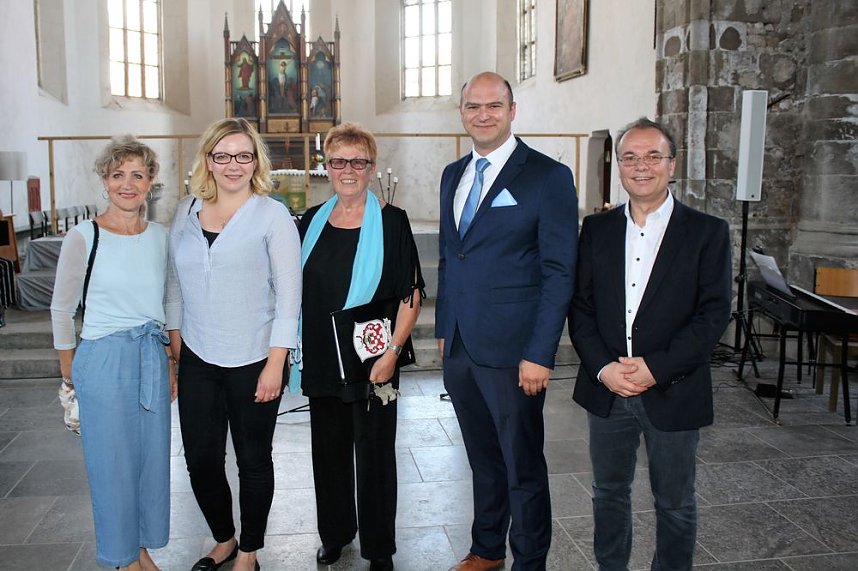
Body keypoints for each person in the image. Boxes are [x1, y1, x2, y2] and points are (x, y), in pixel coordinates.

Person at [570, 118, 732, 571]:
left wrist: (656, 368)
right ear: (619, 166)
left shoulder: (707, 232)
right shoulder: (596, 230)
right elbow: (580, 309)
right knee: (608, 494)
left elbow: (713, 315)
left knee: (676, 501)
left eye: (653, 156)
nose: (641, 166)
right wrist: (605, 368)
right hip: (608, 389)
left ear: (672, 164)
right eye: (631, 157)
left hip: (674, 388)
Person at [435, 71, 578, 571]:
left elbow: (560, 271)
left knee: (522, 466)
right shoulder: (453, 175)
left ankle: (530, 561)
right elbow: (453, 257)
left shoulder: (546, 176)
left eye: (493, 106)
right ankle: (487, 547)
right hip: (461, 348)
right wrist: (444, 332)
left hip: (516, 351)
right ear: (462, 112)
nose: (483, 115)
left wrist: (541, 352)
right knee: (481, 459)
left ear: (512, 110)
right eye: (473, 106)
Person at [165, 118, 301, 571]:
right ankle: (223, 538)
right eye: (222, 155)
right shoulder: (186, 210)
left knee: (253, 461)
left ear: (256, 161)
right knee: (201, 459)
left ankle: (249, 551)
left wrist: (276, 364)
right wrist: (177, 342)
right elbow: (174, 283)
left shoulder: (271, 214)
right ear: (207, 159)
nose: (233, 164)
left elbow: (289, 294)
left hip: (255, 357)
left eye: (243, 155)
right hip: (198, 357)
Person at [293, 122, 424, 571]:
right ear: (325, 168)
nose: (348, 170)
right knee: (326, 452)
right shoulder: (309, 222)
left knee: (374, 455)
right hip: (323, 358)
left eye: (358, 162)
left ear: (371, 168)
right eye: (339, 161)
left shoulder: (392, 221)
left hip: (374, 360)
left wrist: (391, 354)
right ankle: (335, 533)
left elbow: (412, 294)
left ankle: (379, 548)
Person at [50, 135, 175, 570]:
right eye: (118, 174)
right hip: (103, 360)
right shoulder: (84, 237)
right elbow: (62, 310)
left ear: (151, 182)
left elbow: (169, 299)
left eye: (138, 175)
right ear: (104, 180)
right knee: (112, 466)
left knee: (149, 463)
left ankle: (140, 549)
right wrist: (71, 375)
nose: (128, 183)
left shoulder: (160, 237)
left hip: (151, 357)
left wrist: (172, 361)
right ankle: (122, 559)